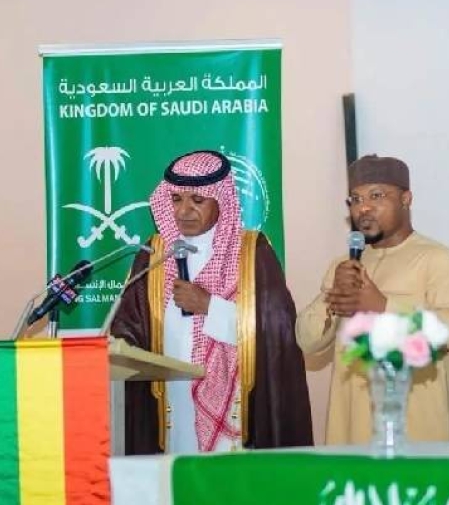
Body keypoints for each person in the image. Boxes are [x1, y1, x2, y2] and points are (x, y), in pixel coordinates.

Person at [110, 149, 312, 453]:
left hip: (234, 408)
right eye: (176, 199)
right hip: (167, 402)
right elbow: (129, 327)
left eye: (197, 200)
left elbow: (277, 331)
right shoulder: (153, 255)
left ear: (221, 200)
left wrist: (210, 307)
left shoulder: (252, 253)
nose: (184, 211)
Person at [295, 154, 449, 444]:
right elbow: (307, 341)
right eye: (355, 199)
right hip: (352, 428)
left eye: (376, 196)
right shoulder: (344, 265)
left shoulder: (439, 260)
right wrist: (331, 298)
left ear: (406, 199)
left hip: (416, 429)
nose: (364, 207)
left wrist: (383, 306)